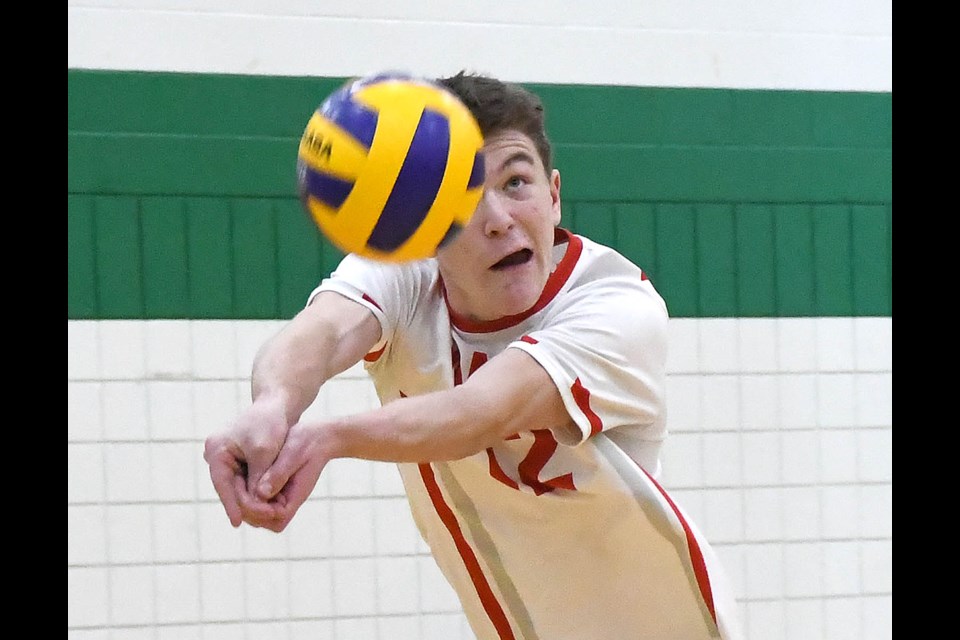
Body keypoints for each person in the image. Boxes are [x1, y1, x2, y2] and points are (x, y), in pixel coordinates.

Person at [204, 70, 744, 640]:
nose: (497, 219)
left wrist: (325, 439)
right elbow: (323, 332)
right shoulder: (411, 270)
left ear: (554, 195)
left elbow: (483, 411)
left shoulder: (615, 308)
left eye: (516, 183)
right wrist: (273, 405)